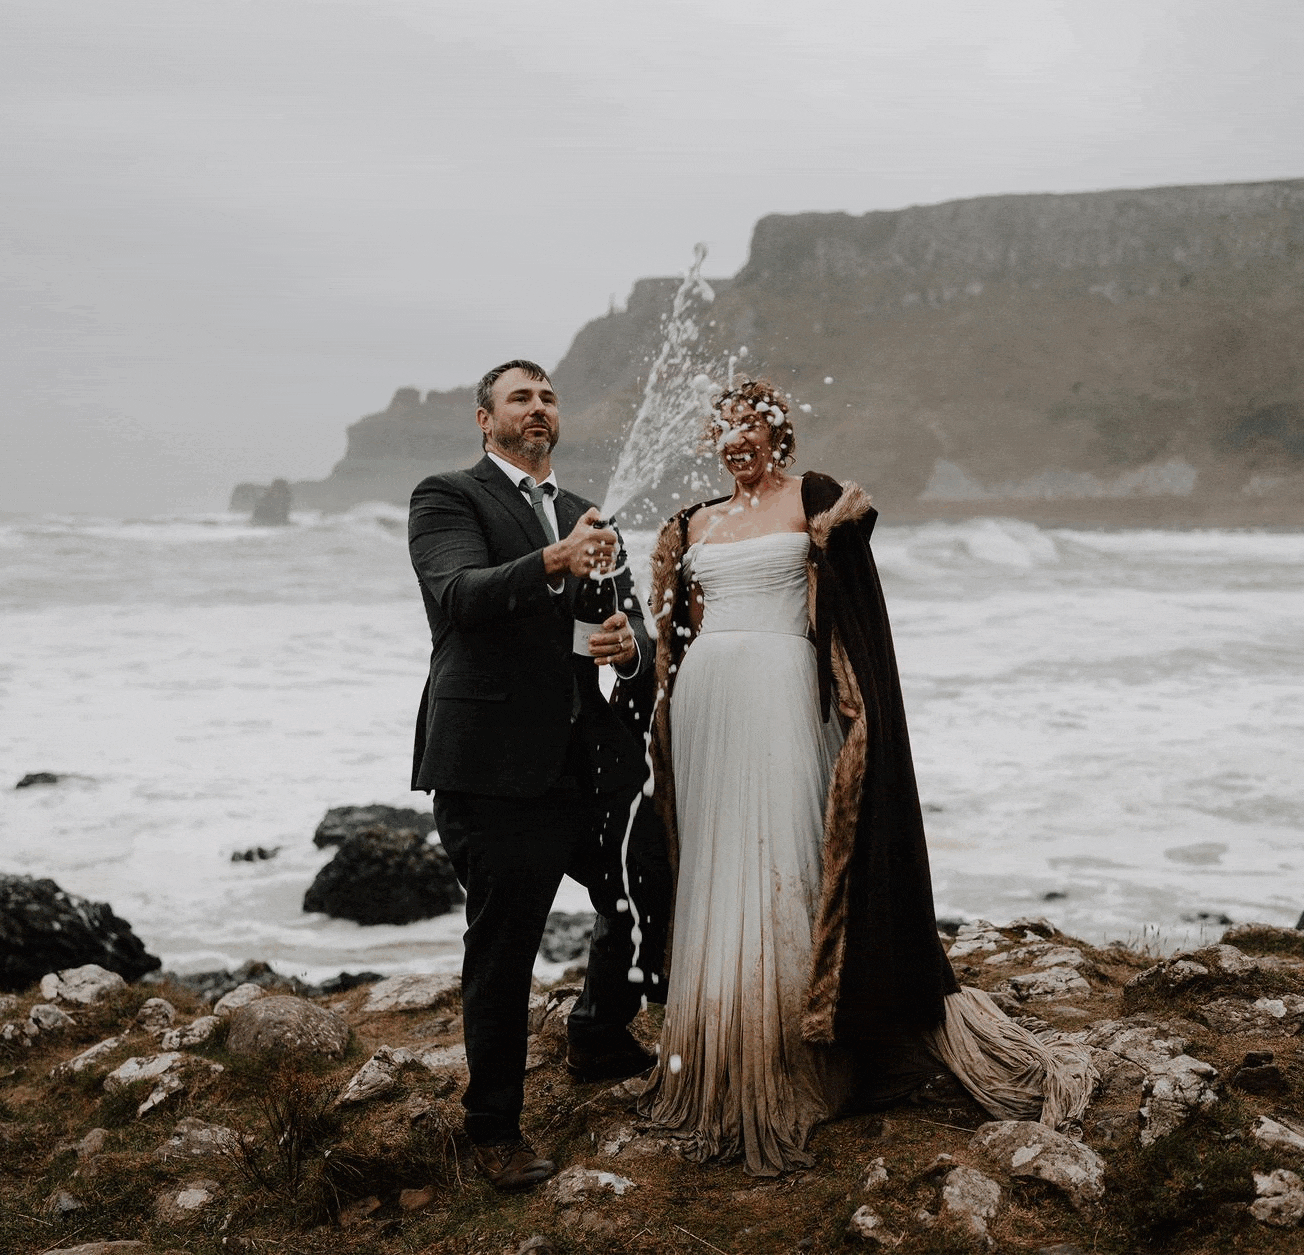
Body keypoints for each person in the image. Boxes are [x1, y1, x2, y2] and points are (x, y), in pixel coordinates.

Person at [632, 379, 1093, 1175]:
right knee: (720, 861)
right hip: (711, 700)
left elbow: (845, 593)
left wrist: (835, 544)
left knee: (786, 855)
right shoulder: (695, 522)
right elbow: (683, 625)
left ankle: (794, 1049)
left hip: (782, 696)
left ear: (779, 436)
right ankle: (717, 1046)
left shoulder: (815, 501)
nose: (735, 440)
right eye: (724, 428)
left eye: (751, 427)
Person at [407, 359, 658, 1191]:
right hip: (494, 767)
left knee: (648, 878)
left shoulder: (590, 513)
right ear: (485, 420)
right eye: (521, 396)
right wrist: (556, 558)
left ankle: (597, 1029)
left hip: (587, 760)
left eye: (548, 396)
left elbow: (627, 631)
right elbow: (460, 595)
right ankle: (493, 1131)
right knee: (504, 947)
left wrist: (633, 651)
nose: (539, 407)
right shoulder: (448, 496)